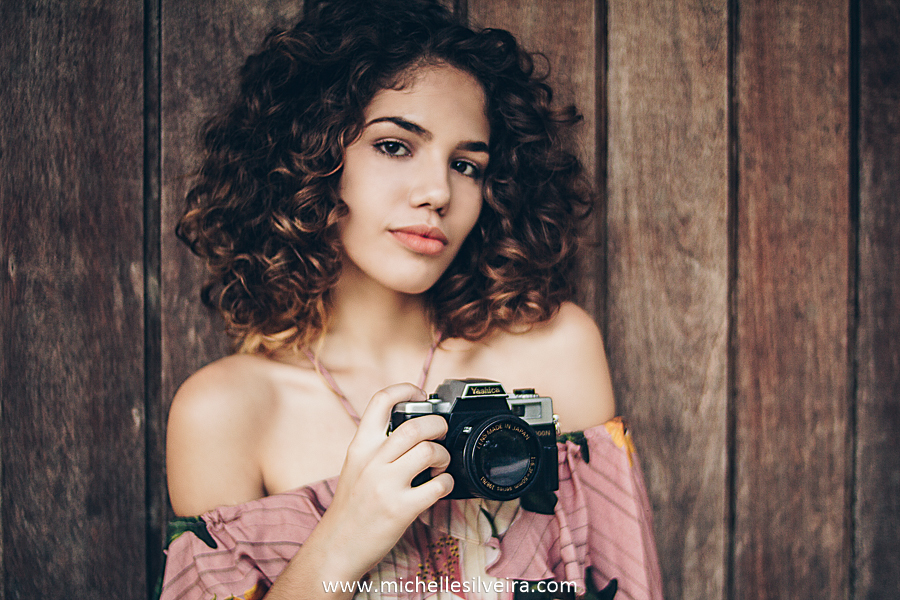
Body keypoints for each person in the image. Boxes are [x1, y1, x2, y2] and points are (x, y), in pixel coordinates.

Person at [159, 1, 662, 599]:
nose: (438, 191)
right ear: (307, 159)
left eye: (466, 164)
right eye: (396, 146)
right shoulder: (226, 414)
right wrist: (346, 534)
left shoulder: (557, 351)